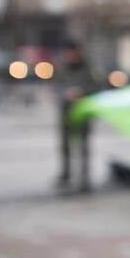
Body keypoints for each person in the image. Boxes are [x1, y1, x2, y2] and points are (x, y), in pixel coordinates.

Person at [53, 40, 98, 193]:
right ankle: (66, 175)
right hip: (66, 111)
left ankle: (84, 177)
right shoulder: (61, 67)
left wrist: (81, 93)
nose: (71, 56)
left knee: (83, 146)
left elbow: (96, 87)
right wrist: (64, 94)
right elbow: (55, 86)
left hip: (83, 112)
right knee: (65, 146)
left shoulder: (88, 68)